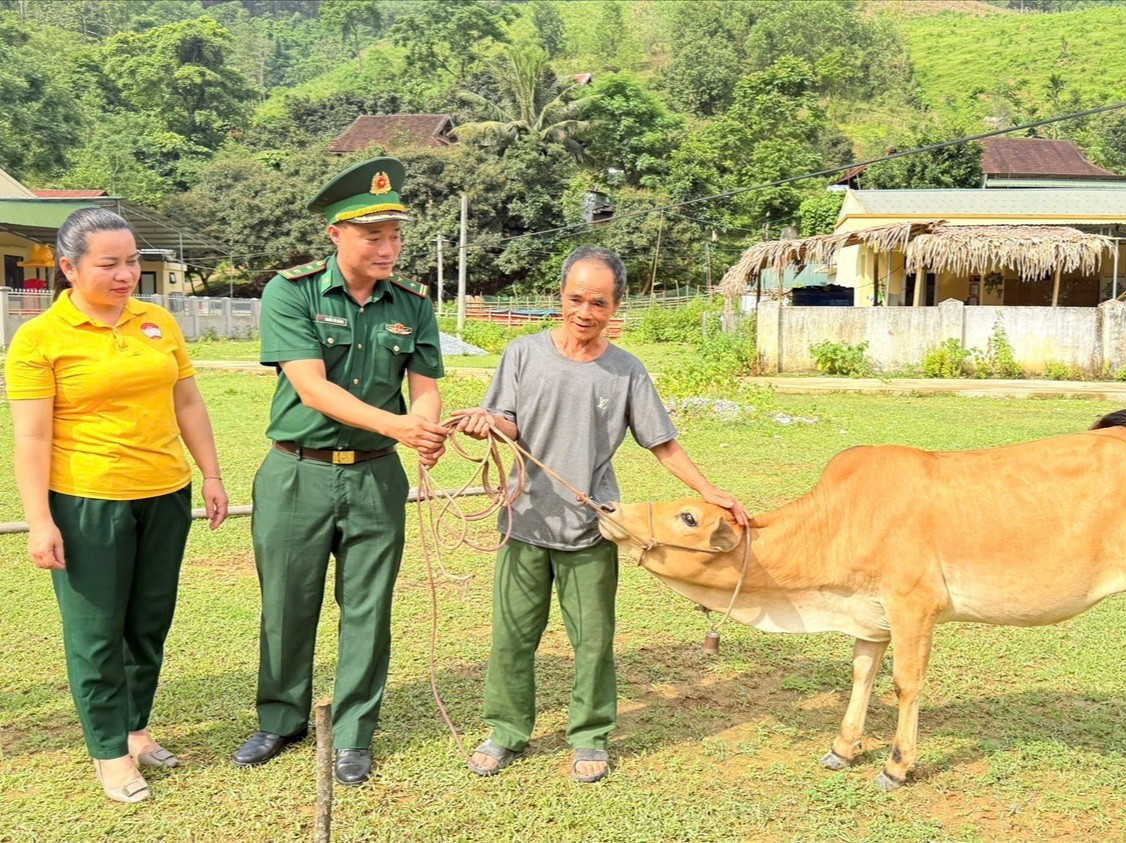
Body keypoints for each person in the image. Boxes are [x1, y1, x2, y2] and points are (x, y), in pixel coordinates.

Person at [454, 245, 749, 783]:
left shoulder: (625, 371)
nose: (584, 312)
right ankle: (505, 730)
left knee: (592, 640)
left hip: (592, 529)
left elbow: (662, 443)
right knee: (512, 636)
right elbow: (509, 421)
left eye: (598, 302)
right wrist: (487, 422)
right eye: (575, 298)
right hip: (524, 522)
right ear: (559, 297)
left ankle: (589, 736)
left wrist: (713, 491)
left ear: (616, 307)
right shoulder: (523, 354)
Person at [232, 156, 447, 787]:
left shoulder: (412, 304)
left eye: (395, 234)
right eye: (372, 235)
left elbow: (424, 384)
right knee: (287, 603)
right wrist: (400, 424)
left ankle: (354, 733)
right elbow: (313, 389)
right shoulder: (290, 291)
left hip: (378, 478)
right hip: (297, 473)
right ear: (335, 235)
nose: (389, 247)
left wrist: (426, 427)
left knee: (368, 606)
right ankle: (281, 717)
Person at [6, 208, 228, 803]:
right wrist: (40, 520)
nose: (127, 273)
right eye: (110, 264)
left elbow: (187, 401)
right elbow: (31, 437)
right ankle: (108, 752)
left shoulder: (157, 321)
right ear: (69, 268)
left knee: (148, 622)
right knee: (97, 632)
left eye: (131, 260)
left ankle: (134, 730)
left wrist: (210, 472)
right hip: (86, 502)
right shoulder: (39, 339)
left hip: (164, 493)